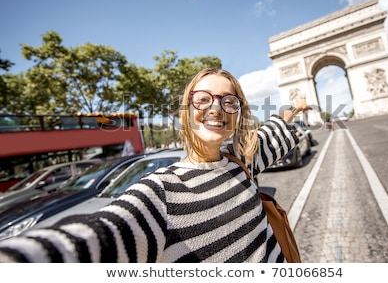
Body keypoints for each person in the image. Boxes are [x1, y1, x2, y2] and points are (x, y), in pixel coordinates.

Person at [0, 68, 310, 263]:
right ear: (184, 112)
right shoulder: (160, 193)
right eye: (203, 99)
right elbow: (97, 237)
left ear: (238, 114)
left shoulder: (242, 161)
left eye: (229, 101)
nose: (217, 106)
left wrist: (294, 108)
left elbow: (273, 132)